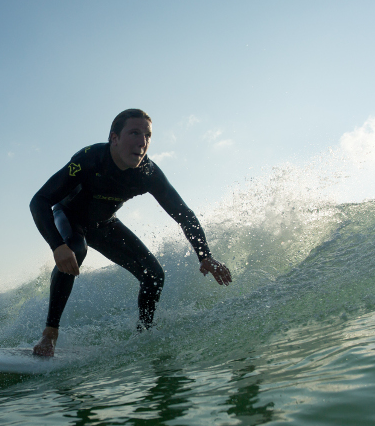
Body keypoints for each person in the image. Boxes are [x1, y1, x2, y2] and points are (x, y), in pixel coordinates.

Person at [30, 109, 232, 356]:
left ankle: (143, 335)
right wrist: (57, 246)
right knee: (75, 250)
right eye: (134, 133)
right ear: (114, 138)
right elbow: (39, 200)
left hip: (103, 224)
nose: (142, 142)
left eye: (147, 136)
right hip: (69, 215)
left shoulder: (147, 173)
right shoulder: (90, 159)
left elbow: (183, 214)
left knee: (154, 274)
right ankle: (49, 335)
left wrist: (205, 256)